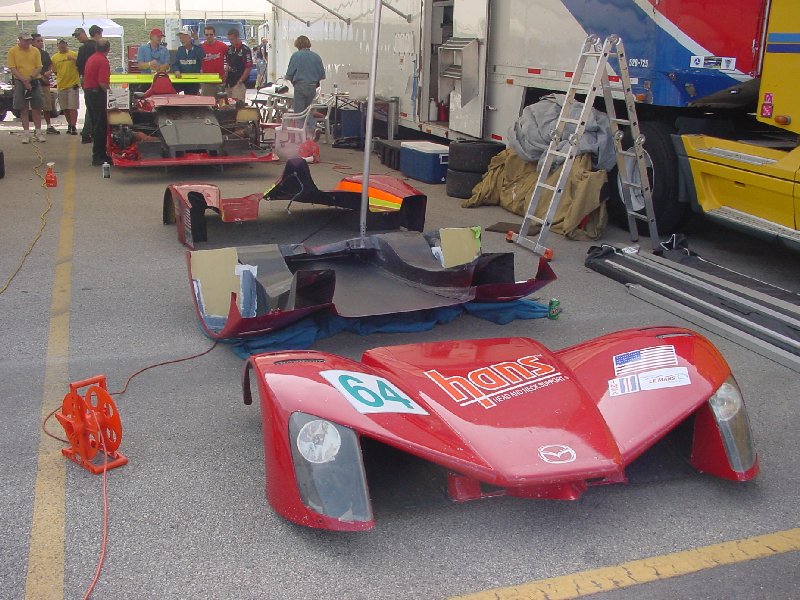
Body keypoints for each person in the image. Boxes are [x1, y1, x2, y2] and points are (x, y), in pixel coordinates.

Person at [6, 32, 44, 144]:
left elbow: (39, 67)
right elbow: (13, 68)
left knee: (37, 107)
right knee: (23, 109)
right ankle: (26, 133)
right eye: (26, 40)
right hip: (19, 81)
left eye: (29, 40)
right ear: (20, 40)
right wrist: (23, 80)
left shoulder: (35, 51)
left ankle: (38, 132)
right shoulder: (13, 51)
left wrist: (30, 78)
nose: (28, 42)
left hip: (34, 80)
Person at [83, 40, 111, 166]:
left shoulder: (92, 58)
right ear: (108, 49)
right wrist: (112, 95)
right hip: (97, 93)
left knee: (96, 123)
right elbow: (102, 83)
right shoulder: (103, 61)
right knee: (102, 125)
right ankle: (99, 155)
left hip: (89, 92)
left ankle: (98, 153)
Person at [285, 36, 325, 114]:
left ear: (297, 45)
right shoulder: (316, 56)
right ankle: (310, 126)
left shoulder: (296, 56)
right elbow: (322, 75)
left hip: (300, 87)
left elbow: (289, 74)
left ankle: (300, 126)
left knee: (299, 113)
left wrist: (292, 82)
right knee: (310, 112)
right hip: (313, 87)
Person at [31, 34, 59, 134]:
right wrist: (41, 75)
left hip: (45, 83)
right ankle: (37, 127)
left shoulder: (44, 53)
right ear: (32, 42)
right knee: (36, 106)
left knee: (47, 105)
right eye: (38, 41)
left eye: (41, 41)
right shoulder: (30, 54)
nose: (41, 43)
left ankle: (49, 126)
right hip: (34, 83)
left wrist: (49, 72)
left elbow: (51, 65)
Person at [73, 27, 97, 144]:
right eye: (76, 36)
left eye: (78, 35)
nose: (77, 38)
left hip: (88, 80)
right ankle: (88, 132)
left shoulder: (84, 48)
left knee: (91, 107)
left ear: (84, 33)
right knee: (93, 107)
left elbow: (79, 65)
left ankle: (88, 132)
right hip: (91, 80)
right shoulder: (93, 47)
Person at [51, 38, 80, 135]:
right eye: (60, 44)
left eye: (64, 44)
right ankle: (69, 124)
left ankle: (73, 126)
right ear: (57, 46)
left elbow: (80, 64)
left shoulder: (74, 54)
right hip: (61, 85)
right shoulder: (54, 58)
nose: (62, 46)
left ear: (67, 44)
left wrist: (73, 59)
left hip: (73, 85)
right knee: (65, 108)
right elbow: (54, 71)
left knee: (73, 107)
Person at [171, 27, 204, 95]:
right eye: (180, 38)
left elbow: (202, 55)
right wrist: (176, 70)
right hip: (181, 80)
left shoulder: (197, 49)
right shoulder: (180, 49)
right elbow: (175, 64)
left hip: (193, 81)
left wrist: (196, 40)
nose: (182, 40)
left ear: (189, 38)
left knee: (191, 101)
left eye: (184, 37)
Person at [224, 29, 252, 103]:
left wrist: (241, 80)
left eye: (232, 39)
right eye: (229, 39)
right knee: (227, 105)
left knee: (238, 105)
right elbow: (227, 62)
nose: (230, 41)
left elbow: (248, 67)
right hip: (229, 82)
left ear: (237, 37)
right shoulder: (229, 49)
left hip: (239, 82)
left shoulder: (245, 50)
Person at [199, 24, 227, 97]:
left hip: (220, 80)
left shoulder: (222, 46)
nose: (209, 36)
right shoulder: (201, 47)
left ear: (214, 34)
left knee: (222, 104)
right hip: (206, 82)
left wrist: (226, 72)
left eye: (211, 34)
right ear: (204, 35)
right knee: (207, 105)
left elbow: (230, 58)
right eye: (207, 34)